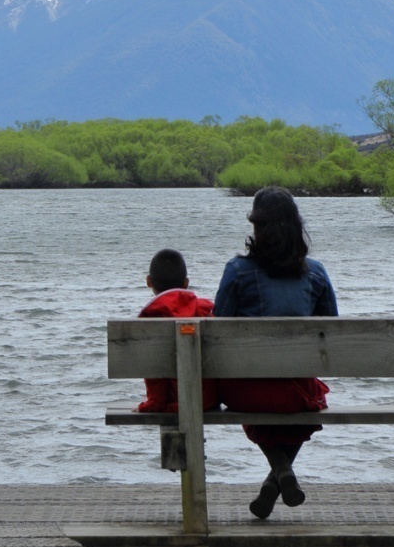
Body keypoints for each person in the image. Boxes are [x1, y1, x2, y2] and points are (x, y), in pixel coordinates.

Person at [213, 186, 338, 520]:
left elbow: (216, 332)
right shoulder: (317, 272)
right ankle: (279, 474)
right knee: (312, 398)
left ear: (257, 227)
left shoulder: (237, 271)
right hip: (295, 392)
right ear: (296, 226)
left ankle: (279, 473)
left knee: (249, 395)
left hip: (245, 393)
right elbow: (333, 332)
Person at [135, 248, 219, 413]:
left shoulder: (151, 319)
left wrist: (153, 404)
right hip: (209, 400)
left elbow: (155, 374)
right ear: (186, 283)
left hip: (178, 404)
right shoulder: (205, 311)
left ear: (148, 281)